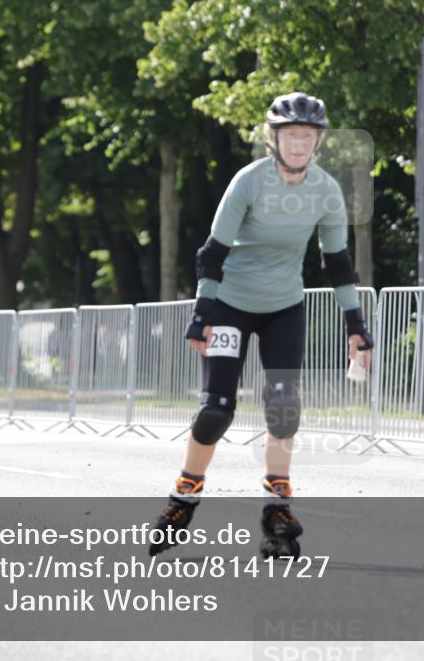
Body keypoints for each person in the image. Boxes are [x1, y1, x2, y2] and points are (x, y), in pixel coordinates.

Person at [148, 92, 373, 558]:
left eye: (307, 137)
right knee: (216, 411)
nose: (298, 144)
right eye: (290, 135)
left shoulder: (327, 191)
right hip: (229, 304)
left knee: (284, 409)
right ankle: (184, 496)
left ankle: (277, 508)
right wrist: (201, 315)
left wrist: (356, 324)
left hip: (283, 309)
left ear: (317, 143)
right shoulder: (248, 182)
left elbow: (337, 264)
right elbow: (212, 253)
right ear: (274, 139)